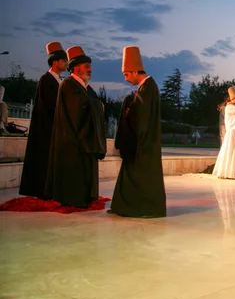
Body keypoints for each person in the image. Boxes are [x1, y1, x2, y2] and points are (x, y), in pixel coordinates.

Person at [108, 46, 167, 218]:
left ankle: (141, 208)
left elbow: (141, 116)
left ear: (134, 71)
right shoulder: (147, 87)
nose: (126, 78)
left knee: (142, 177)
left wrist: (129, 106)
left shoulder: (148, 88)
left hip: (143, 143)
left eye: (127, 74)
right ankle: (126, 206)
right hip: (142, 141)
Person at [45, 46, 106, 207]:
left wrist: (97, 106)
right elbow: (78, 110)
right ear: (77, 68)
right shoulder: (68, 85)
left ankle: (86, 197)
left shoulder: (85, 87)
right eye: (87, 66)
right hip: (72, 139)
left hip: (84, 139)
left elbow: (93, 104)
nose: (90, 69)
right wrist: (98, 107)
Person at [19, 42, 68, 198]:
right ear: (55, 62)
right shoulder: (46, 80)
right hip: (46, 128)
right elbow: (49, 106)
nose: (66, 63)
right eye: (64, 61)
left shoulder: (59, 81)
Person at [213, 87, 235, 179]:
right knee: (230, 152)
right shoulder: (229, 107)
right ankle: (228, 171)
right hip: (232, 133)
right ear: (232, 99)